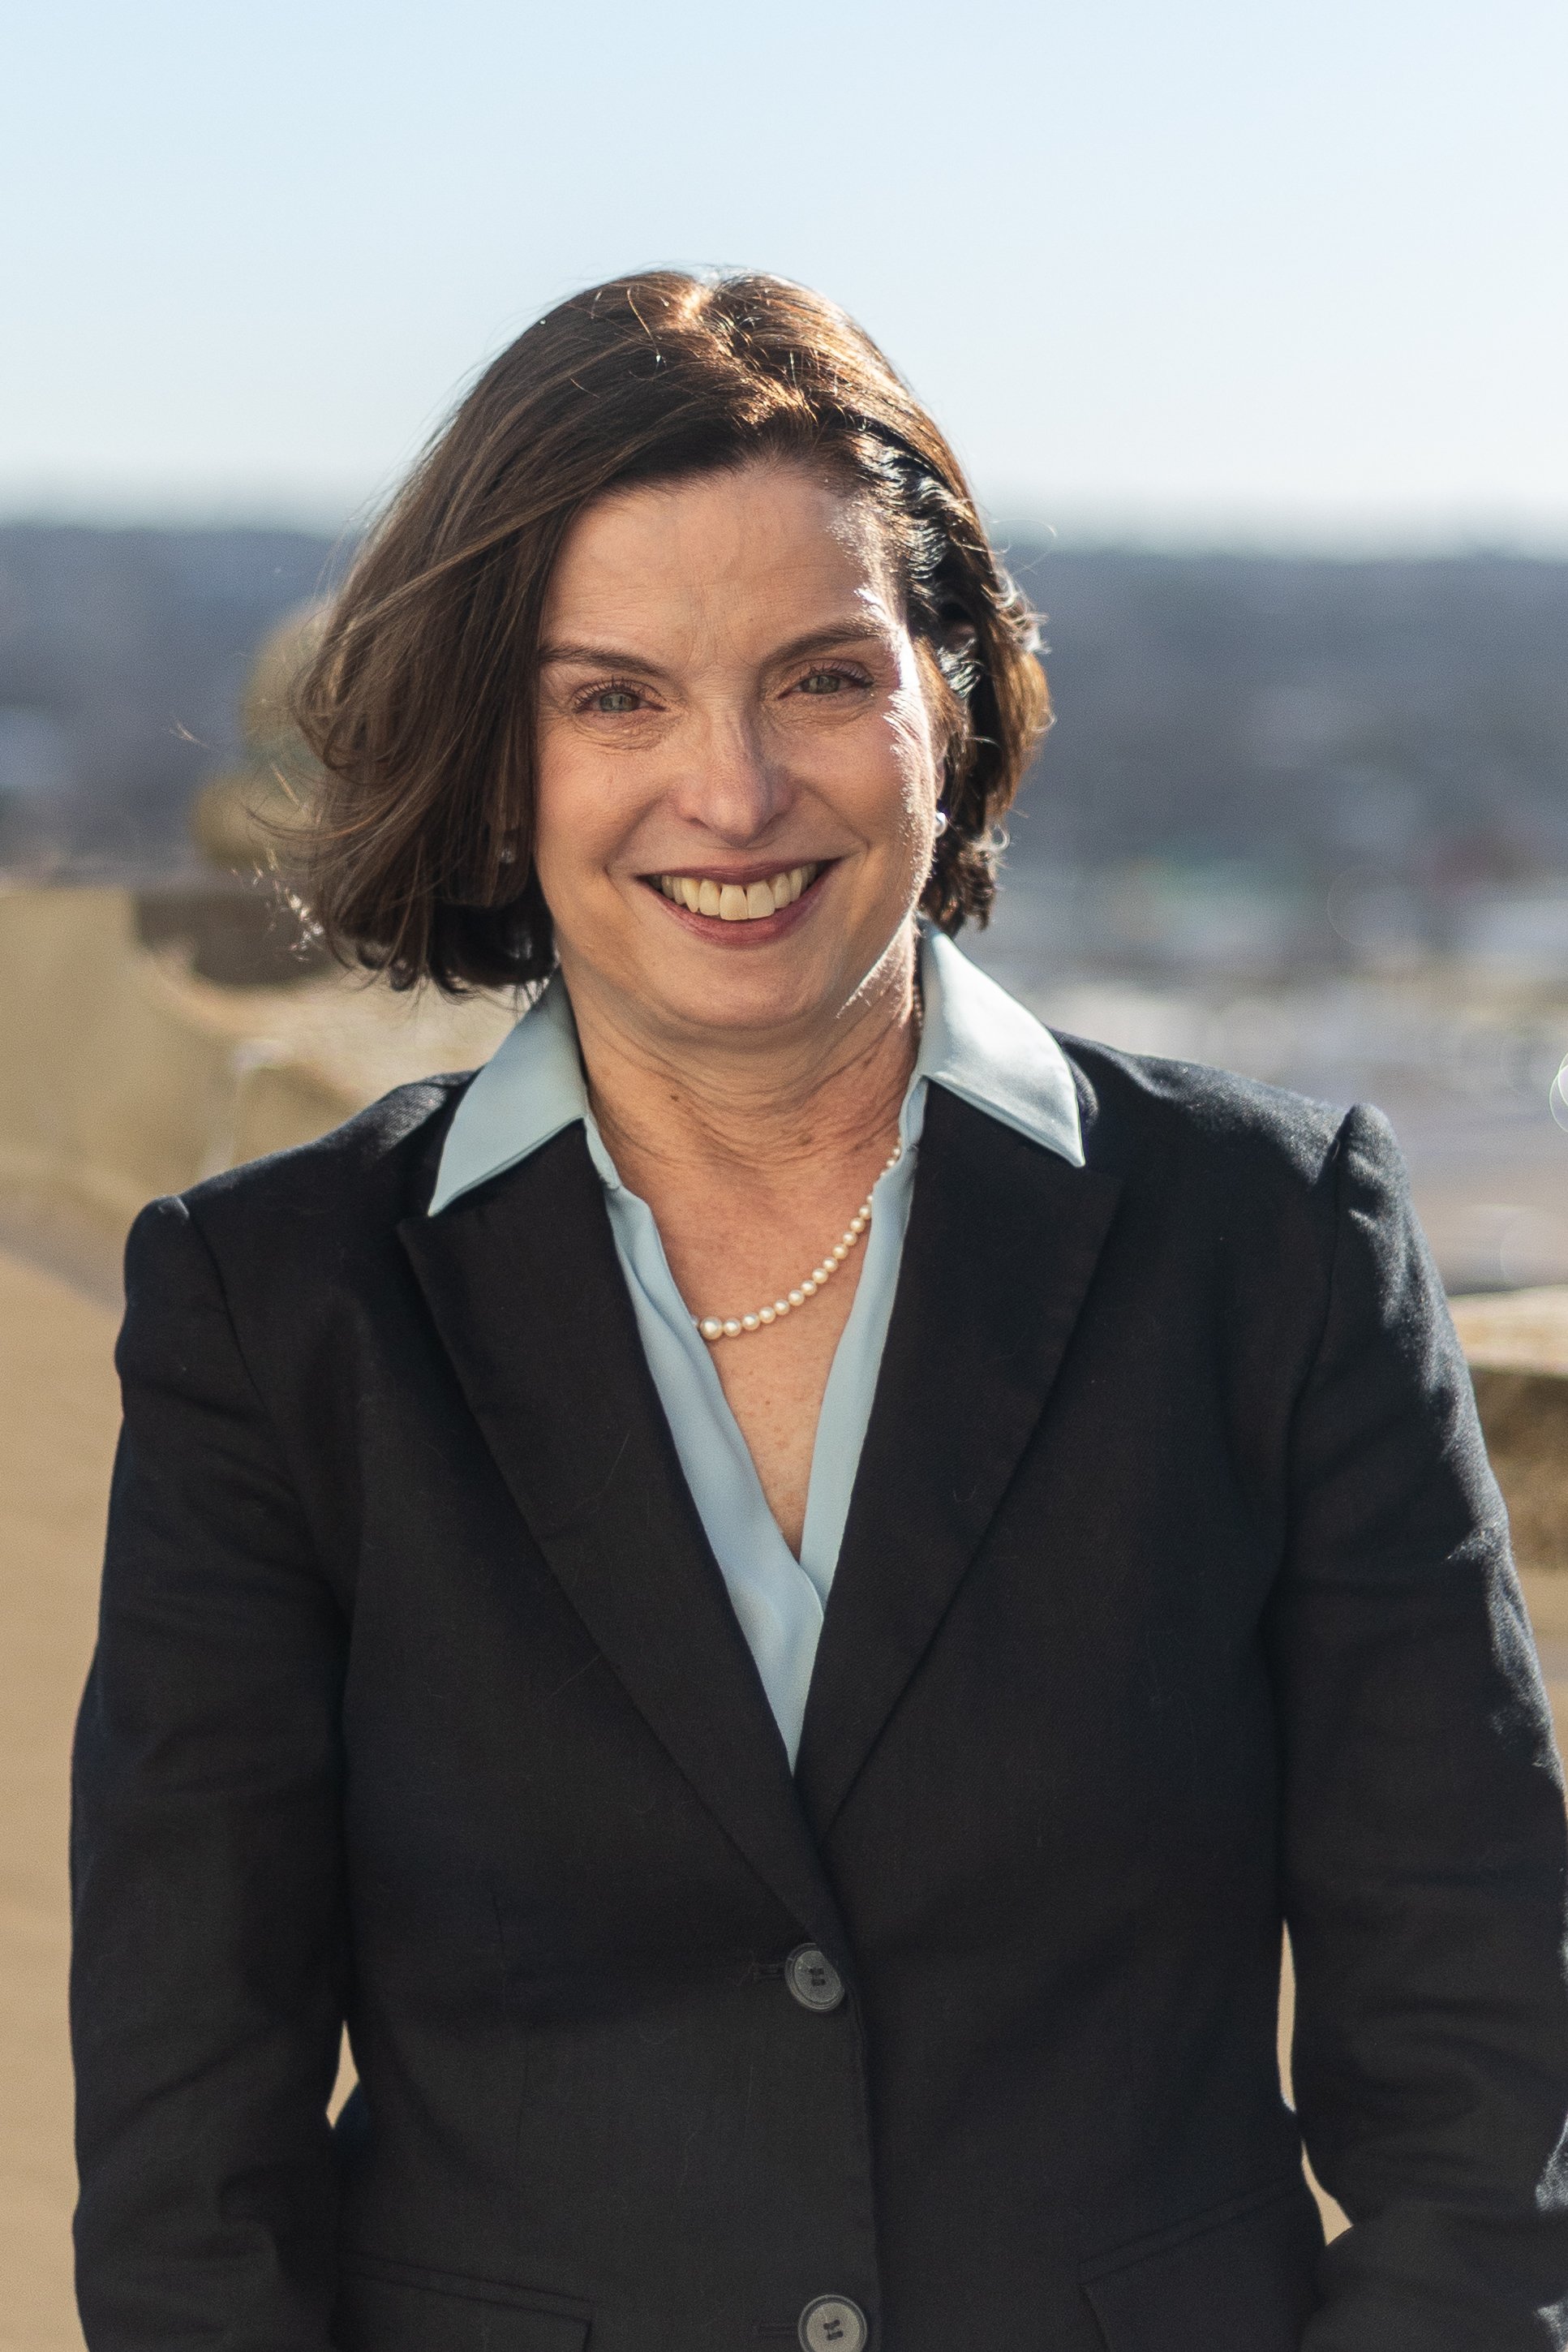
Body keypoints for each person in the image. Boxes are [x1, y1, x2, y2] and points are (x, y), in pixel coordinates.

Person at [71, 270, 1568, 2352]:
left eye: (819, 676)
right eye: (617, 699)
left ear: (948, 699)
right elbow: (186, 2168)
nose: (736, 792)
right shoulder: (275, 1312)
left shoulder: (1277, 1244)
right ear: (500, 767)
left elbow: (1480, 2101)